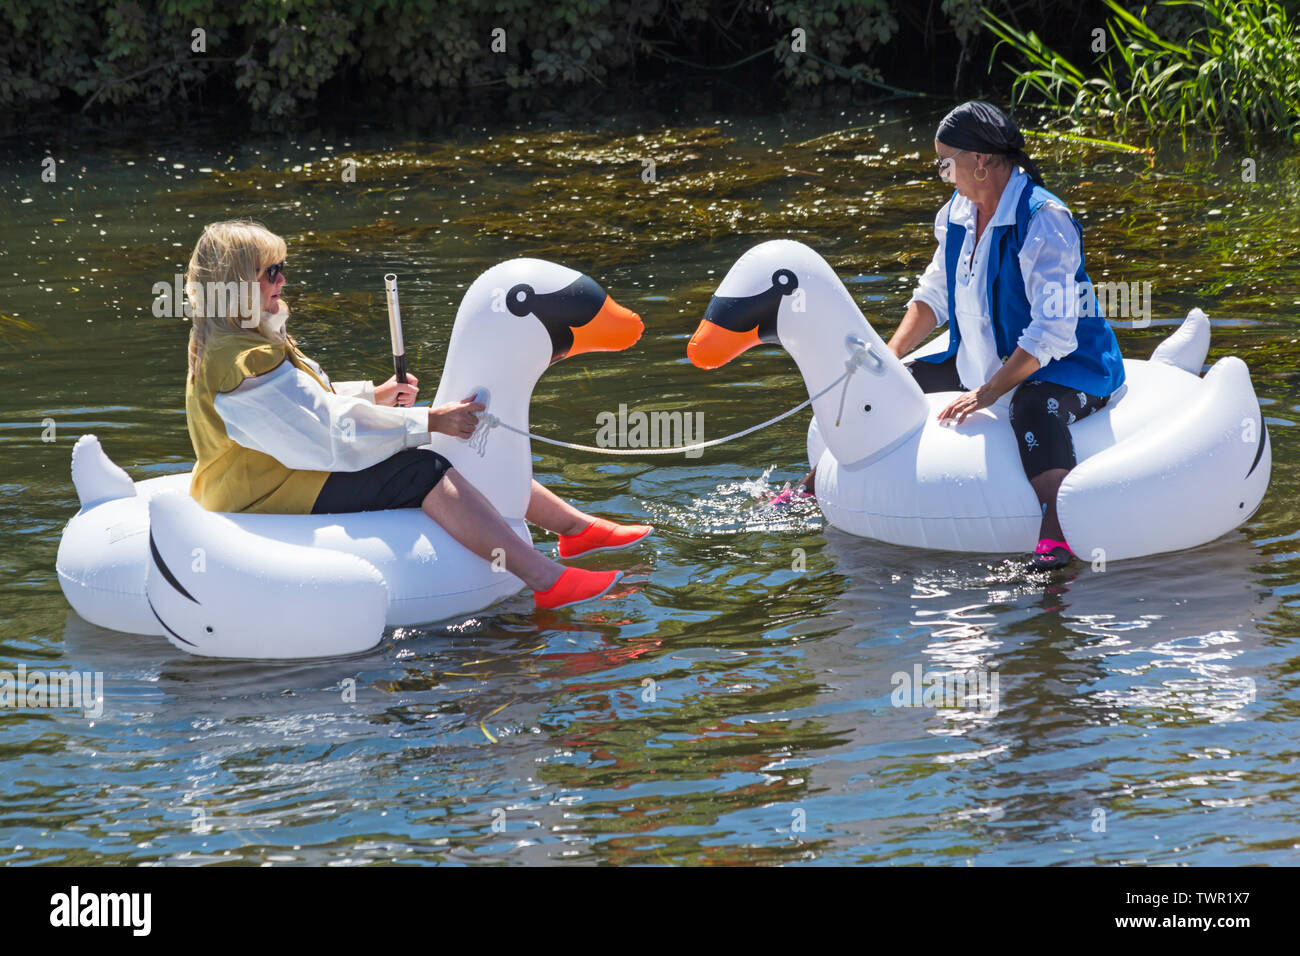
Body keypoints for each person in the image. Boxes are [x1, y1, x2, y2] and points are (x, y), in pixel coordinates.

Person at [183, 221, 651, 610]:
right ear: (237, 284)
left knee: (438, 446)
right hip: (263, 489)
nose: (283, 281)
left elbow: (306, 400)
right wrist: (427, 422)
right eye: (272, 272)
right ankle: (545, 578)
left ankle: (573, 528)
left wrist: (377, 394)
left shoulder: (242, 340)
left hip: (277, 470)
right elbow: (321, 430)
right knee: (423, 467)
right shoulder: (243, 360)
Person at [794, 101, 1125, 571]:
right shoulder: (957, 213)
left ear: (981, 162)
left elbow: (1052, 333)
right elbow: (933, 297)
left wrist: (987, 394)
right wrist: (886, 358)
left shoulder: (1044, 220)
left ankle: (1056, 535)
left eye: (945, 164)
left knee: (1032, 407)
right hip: (980, 360)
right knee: (887, 384)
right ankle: (811, 484)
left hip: (1067, 367)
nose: (942, 175)